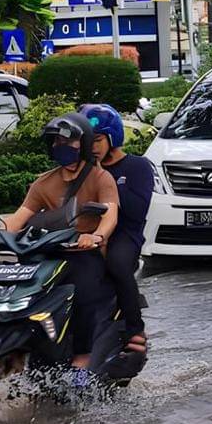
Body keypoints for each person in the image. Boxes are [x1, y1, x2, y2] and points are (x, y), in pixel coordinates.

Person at [4, 113, 119, 368]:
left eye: (69, 143)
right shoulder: (44, 182)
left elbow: (110, 212)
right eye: (56, 143)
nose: (62, 148)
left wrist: (96, 236)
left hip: (84, 253)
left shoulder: (100, 178)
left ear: (85, 145)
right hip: (50, 253)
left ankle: (82, 356)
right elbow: (19, 218)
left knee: (83, 293)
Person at [81, 104, 152, 356]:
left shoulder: (137, 167)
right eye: (87, 141)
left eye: (97, 140)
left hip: (124, 235)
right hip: (86, 233)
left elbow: (136, 210)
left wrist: (104, 179)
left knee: (118, 265)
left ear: (112, 138)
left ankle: (135, 329)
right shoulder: (79, 170)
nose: (92, 147)